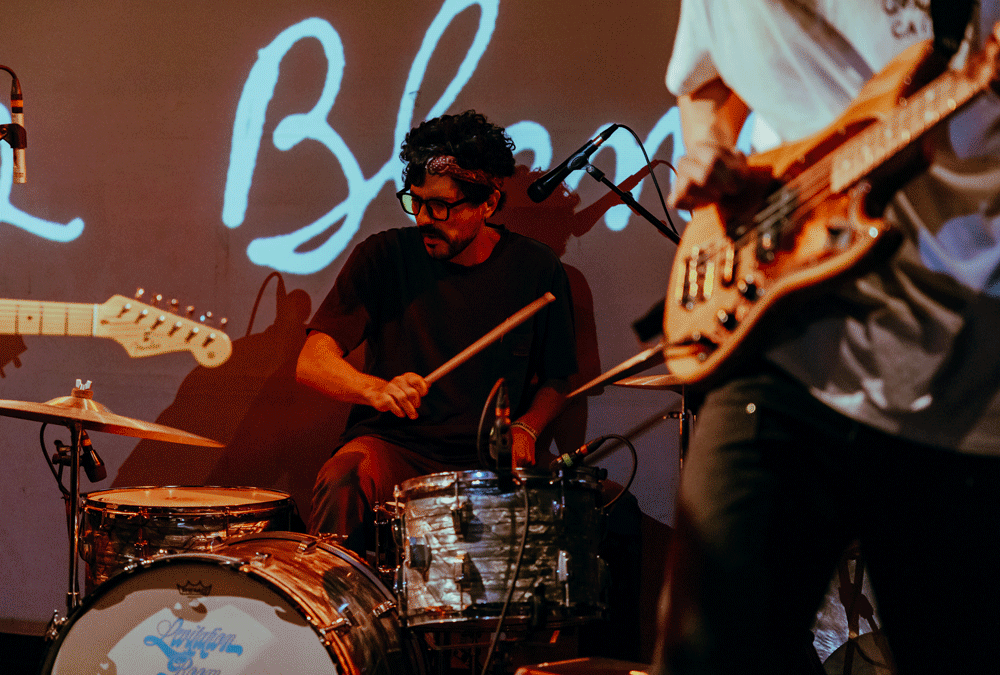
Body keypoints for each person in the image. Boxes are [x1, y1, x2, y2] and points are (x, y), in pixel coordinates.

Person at [654, 2, 1000, 674]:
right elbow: (705, 81)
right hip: (786, 327)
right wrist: (712, 151)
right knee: (705, 652)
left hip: (964, 355)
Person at [296, 110, 577, 554]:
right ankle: (337, 614)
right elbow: (313, 360)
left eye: (442, 206)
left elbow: (559, 379)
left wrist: (526, 428)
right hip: (395, 447)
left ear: (488, 204)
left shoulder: (536, 269)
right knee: (343, 478)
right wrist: (375, 389)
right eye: (416, 201)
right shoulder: (382, 256)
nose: (425, 218)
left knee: (601, 517)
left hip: (490, 460)